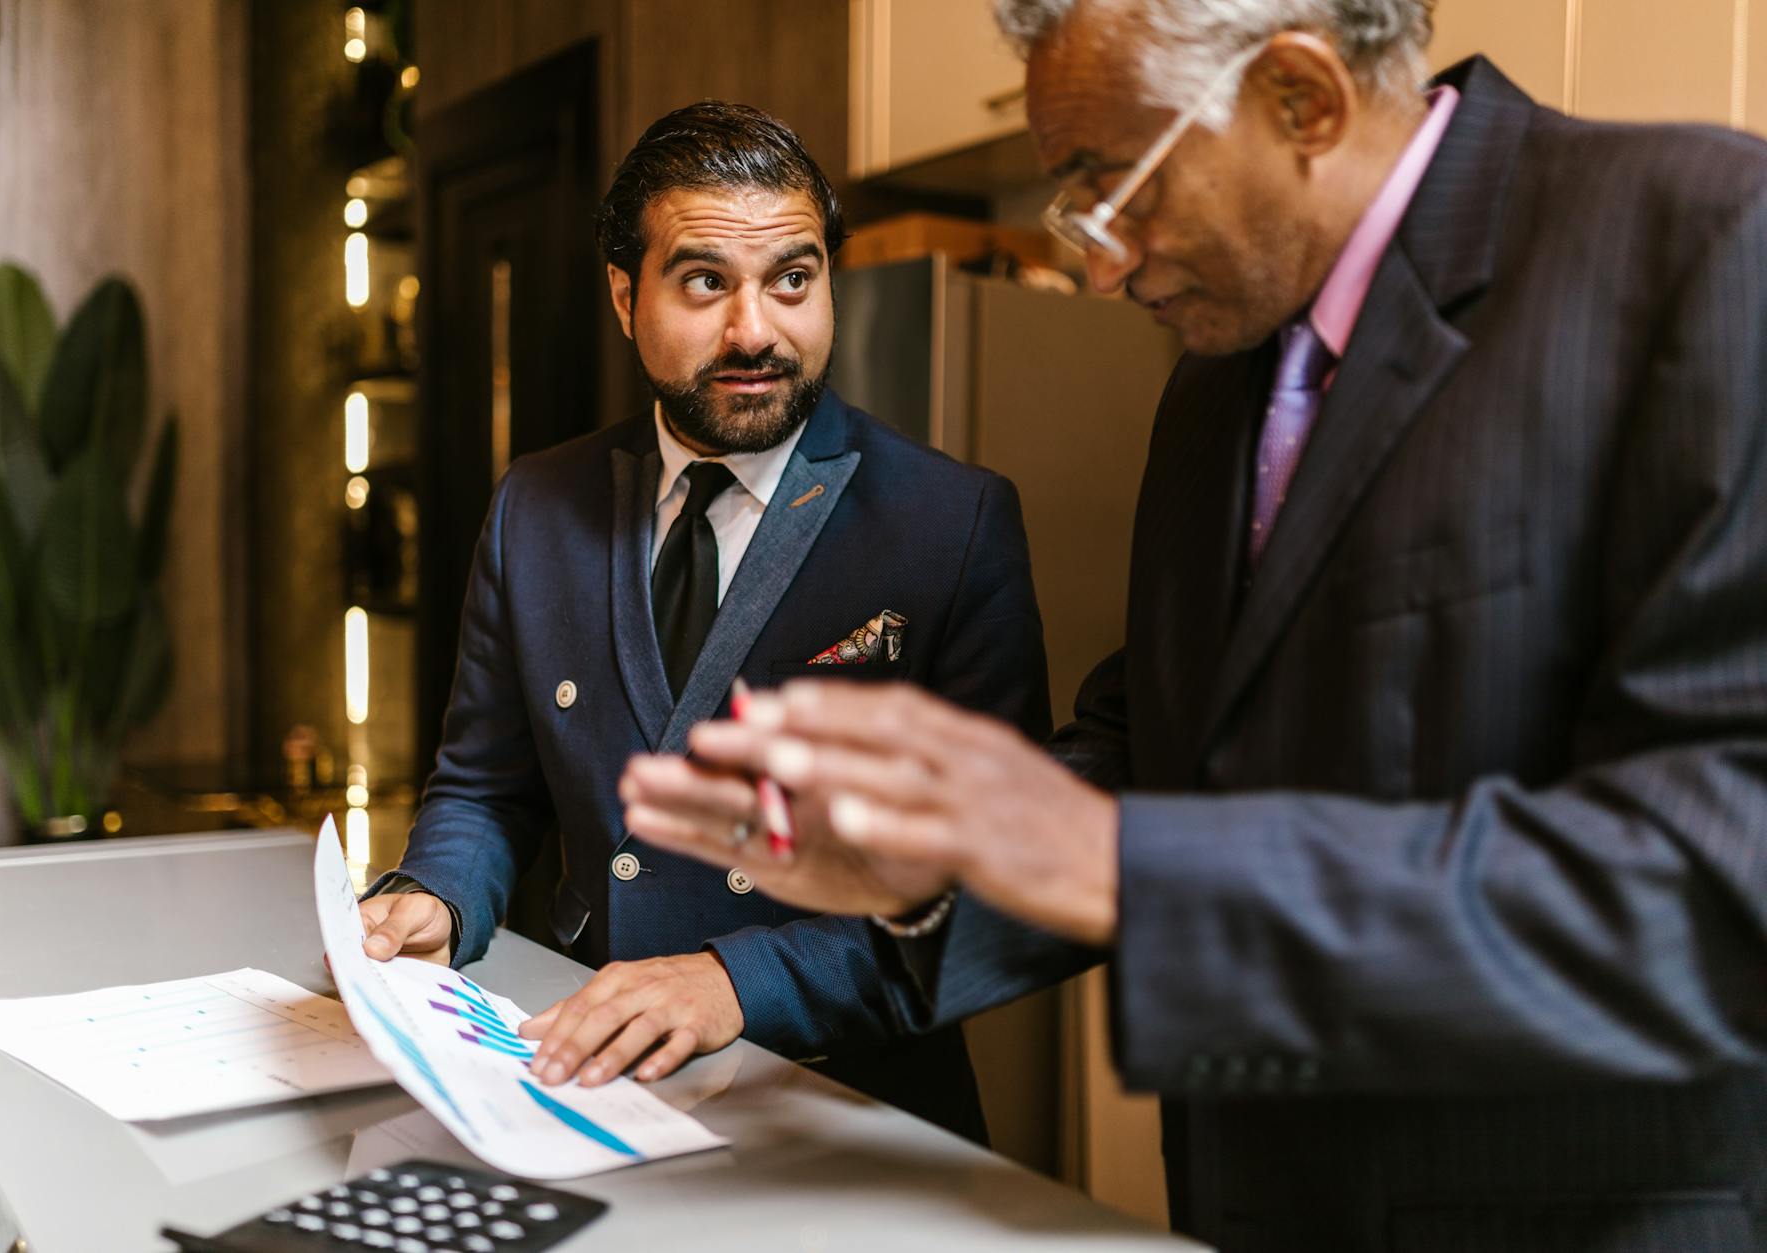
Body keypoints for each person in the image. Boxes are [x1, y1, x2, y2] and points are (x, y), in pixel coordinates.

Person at [617, 3, 1767, 1249]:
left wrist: (1111, 863)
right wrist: (931, 860)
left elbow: (1714, 885)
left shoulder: (1704, 246)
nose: (1099, 264)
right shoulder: (1217, 377)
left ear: (1298, 99)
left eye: (1110, 182)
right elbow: (1151, 745)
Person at [356, 100, 1050, 1142]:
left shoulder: (950, 524)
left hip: (850, 1115)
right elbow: (486, 785)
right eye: (702, 281)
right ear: (625, 295)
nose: (754, 330)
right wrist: (439, 895)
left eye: (791, 279)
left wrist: (736, 979)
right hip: (583, 1080)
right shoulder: (536, 508)